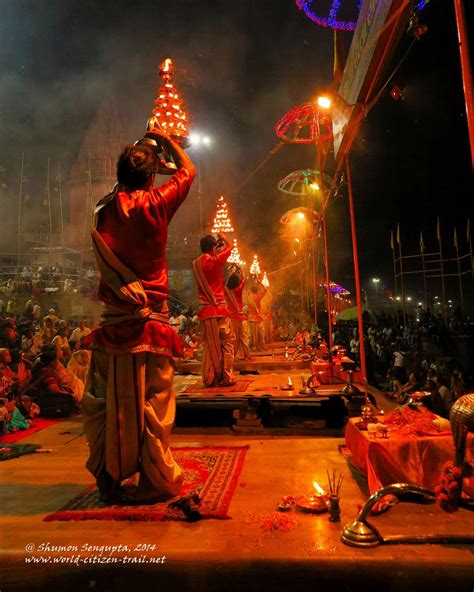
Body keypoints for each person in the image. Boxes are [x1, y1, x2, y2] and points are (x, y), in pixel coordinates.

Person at [82, 130, 195, 504]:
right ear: (151, 177)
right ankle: (152, 479)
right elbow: (189, 170)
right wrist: (164, 139)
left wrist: (145, 164)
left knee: (104, 402)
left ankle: (106, 479)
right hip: (151, 326)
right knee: (155, 404)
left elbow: (125, 184)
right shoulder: (158, 204)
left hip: (113, 325)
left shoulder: (103, 210)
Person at [192, 233, 235, 387]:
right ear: (213, 247)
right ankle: (227, 377)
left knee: (210, 346)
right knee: (227, 343)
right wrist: (222, 237)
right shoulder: (216, 260)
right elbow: (231, 246)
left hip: (205, 311)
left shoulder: (196, 264)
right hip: (220, 311)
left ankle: (209, 378)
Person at [225, 266, 251, 361]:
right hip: (241, 317)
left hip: (231, 317)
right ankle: (246, 355)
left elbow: (227, 283)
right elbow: (244, 278)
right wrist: (240, 269)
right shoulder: (239, 289)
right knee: (244, 337)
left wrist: (230, 273)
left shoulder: (226, 290)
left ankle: (233, 355)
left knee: (233, 338)